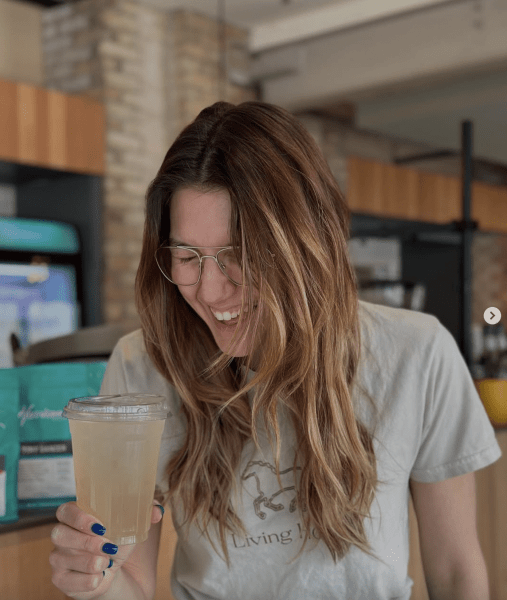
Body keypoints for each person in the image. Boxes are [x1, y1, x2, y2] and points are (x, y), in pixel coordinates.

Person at [49, 101, 501, 600]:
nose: (211, 290)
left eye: (240, 254)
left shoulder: (418, 354)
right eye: (186, 256)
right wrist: (97, 581)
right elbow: (129, 580)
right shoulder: (142, 367)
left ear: (307, 244)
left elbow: (457, 572)